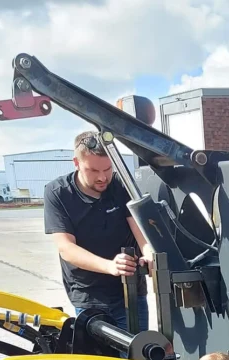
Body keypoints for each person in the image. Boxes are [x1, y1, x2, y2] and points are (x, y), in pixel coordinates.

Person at [43, 130, 154, 331]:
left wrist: (149, 253)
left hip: (130, 292)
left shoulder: (120, 185)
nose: (103, 177)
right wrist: (110, 266)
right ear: (76, 163)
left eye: (108, 169)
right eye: (93, 170)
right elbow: (66, 248)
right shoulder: (57, 193)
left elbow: (140, 230)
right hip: (88, 295)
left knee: (137, 356)